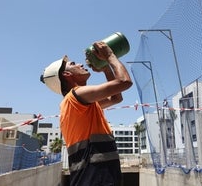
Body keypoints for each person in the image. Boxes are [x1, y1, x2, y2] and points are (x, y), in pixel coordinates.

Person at [40, 41, 133, 186]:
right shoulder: (76, 96)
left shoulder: (78, 104)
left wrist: (106, 69)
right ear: (67, 74)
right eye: (74, 64)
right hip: (95, 177)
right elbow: (124, 82)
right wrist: (110, 56)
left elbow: (116, 98)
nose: (81, 64)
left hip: (94, 177)